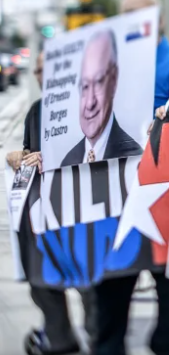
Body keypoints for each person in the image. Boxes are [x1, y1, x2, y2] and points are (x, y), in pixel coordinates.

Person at [94, 0, 169, 355]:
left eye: (140, 14)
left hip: (165, 208)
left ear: (159, 21)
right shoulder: (105, 66)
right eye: (126, 13)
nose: (133, 21)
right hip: (113, 209)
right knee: (108, 315)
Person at [7, 51, 97, 355]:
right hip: (45, 213)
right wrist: (21, 158)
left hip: (82, 212)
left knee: (89, 285)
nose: (37, 74)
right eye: (36, 69)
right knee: (41, 281)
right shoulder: (37, 110)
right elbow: (30, 151)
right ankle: (60, 339)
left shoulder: (88, 106)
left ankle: (99, 338)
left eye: (44, 69)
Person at [61, 29, 143, 167]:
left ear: (114, 80)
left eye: (99, 82)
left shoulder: (134, 157)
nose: (90, 102)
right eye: (85, 86)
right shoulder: (67, 161)